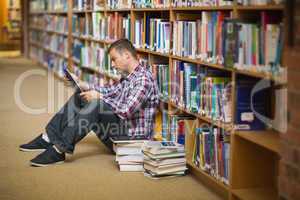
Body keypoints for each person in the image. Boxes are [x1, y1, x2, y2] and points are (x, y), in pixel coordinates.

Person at [19, 39, 160, 167]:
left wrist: (98, 97)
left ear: (127, 56)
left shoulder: (143, 80)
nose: (112, 64)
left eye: (114, 59)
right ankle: (48, 137)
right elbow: (110, 91)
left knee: (96, 104)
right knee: (81, 96)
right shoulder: (129, 77)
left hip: (131, 142)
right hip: (119, 132)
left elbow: (125, 111)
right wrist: (83, 85)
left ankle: (59, 150)